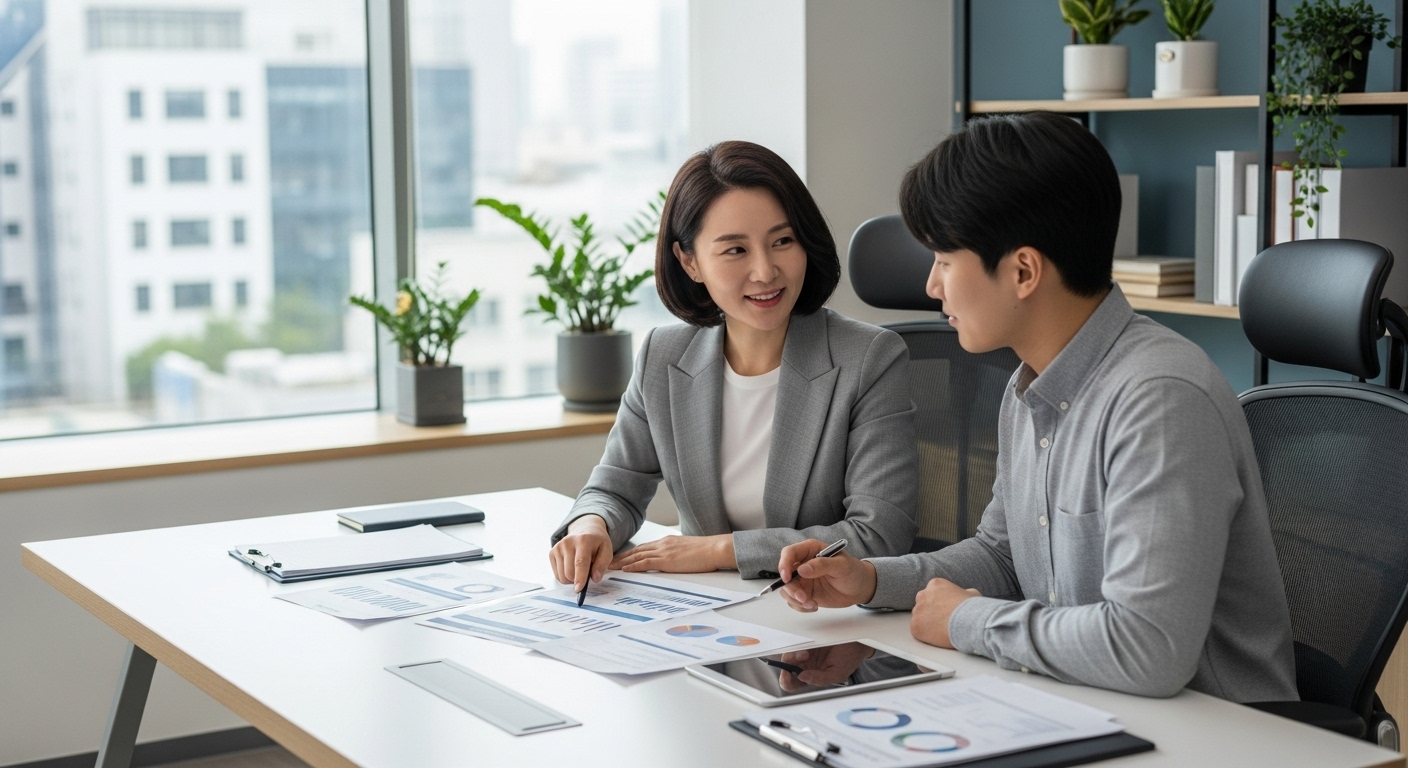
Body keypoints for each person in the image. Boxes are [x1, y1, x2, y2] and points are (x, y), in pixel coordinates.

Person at [777, 112, 1298, 703]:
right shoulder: (1028, 387)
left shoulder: (1159, 399)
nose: (932, 286)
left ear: (1023, 271)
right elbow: (1004, 557)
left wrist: (967, 621)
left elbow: (1147, 648)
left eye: (945, 260)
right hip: (1090, 704)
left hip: (1215, 731)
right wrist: (871, 580)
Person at [548, 140, 918, 590]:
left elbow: (879, 534)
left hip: (821, 612)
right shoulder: (664, 355)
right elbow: (614, 488)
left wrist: (719, 550)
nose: (765, 271)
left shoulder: (869, 358)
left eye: (782, 241)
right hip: (707, 611)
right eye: (735, 250)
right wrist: (591, 525)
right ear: (690, 262)